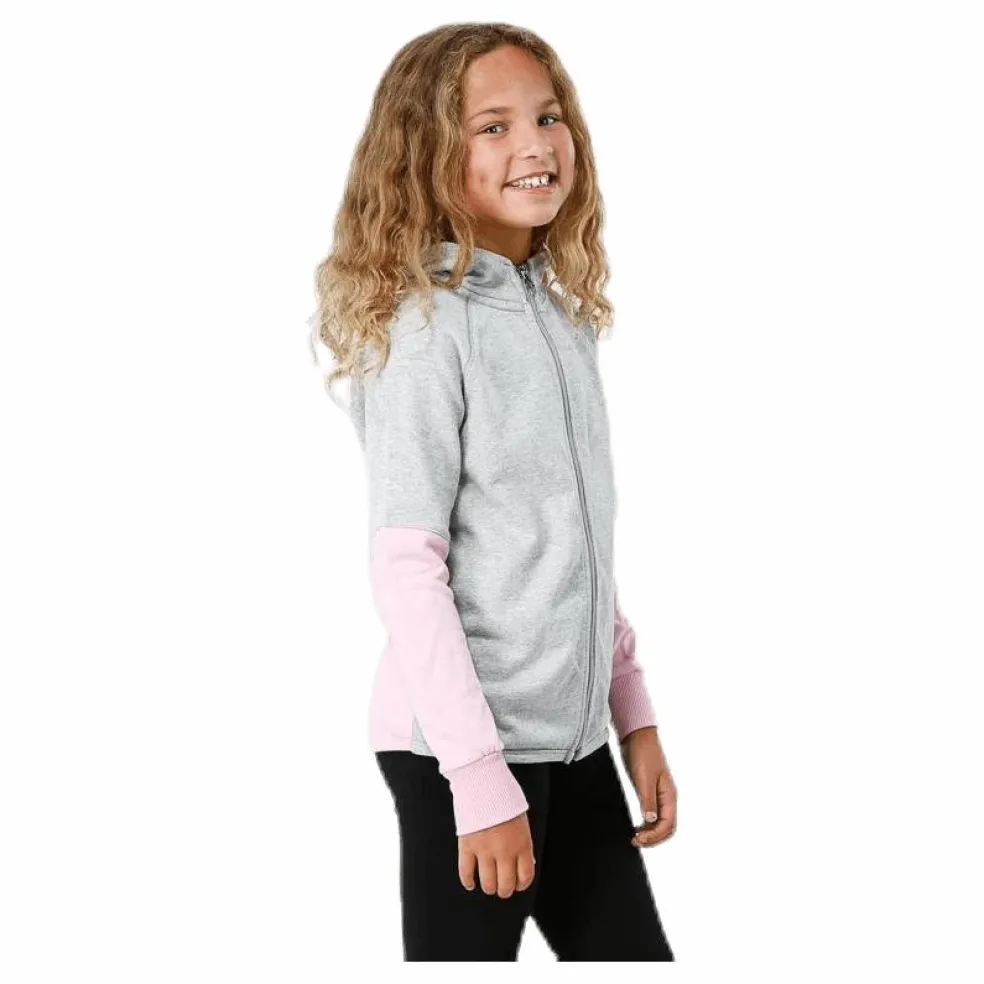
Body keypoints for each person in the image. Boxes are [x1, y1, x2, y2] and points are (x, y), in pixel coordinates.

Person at [309, 22, 678, 962]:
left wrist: (630, 713)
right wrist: (476, 778)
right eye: (493, 126)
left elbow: (576, 542)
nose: (535, 144)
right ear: (428, 154)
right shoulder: (426, 331)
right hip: (461, 753)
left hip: (571, 743)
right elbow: (407, 568)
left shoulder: (558, 318)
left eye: (548, 117)